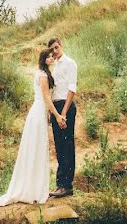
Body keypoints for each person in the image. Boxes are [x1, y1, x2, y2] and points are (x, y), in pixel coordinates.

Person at [0, 48, 62, 207]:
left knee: (36, 148)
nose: (52, 58)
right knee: (37, 148)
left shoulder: (42, 73)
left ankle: (33, 187)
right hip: (38, 113)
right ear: (43, 59)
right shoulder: (43, 76)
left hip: (38, 112)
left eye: (53, 56)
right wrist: (56, 115)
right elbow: (46, 98)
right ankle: (34, 190)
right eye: (49, 57)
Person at [47, 37, 77, 198]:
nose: (54, 51)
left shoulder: (70, 63)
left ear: (61, 46)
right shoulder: (53, 66)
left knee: (67, 145)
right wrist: (52, 113)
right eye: (51, 49)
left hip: (66, 106)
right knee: (59, 147)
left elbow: (72, 89)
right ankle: (60, 184)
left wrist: (63, 114)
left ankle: (67, 185)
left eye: (56, 48)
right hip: (55, 108)